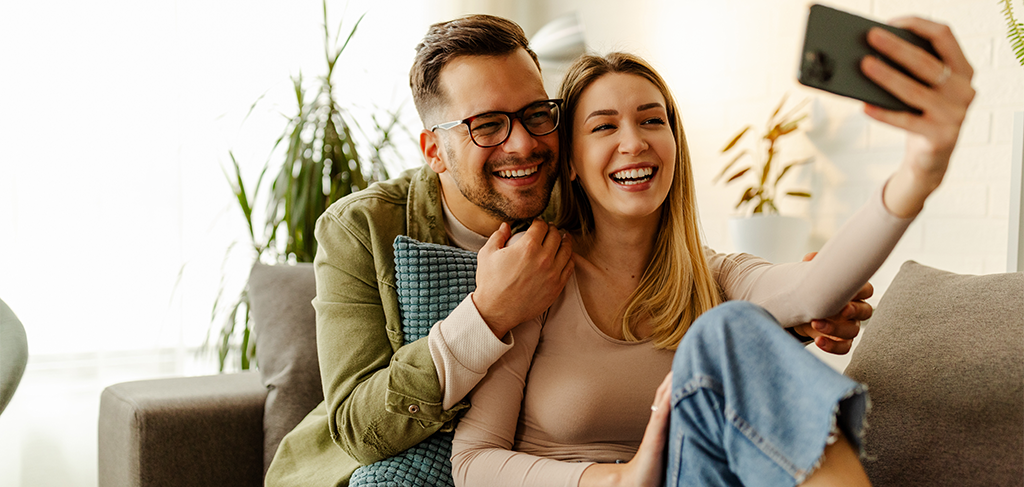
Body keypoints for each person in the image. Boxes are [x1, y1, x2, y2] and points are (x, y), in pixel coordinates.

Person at [266, 14, 869, 487]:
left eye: (536, 114)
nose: (523, 145)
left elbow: (684, 274)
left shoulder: (573, 196)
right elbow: (358, 428)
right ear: (434, 147)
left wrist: (799, 313)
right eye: (487, 125)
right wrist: (489, 315)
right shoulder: (360, 227)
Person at [450, 16, 974, 487]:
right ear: (571, 161)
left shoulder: (715, 276)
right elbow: (473, 462)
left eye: (652, 120)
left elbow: (816, 290)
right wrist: (617, 479)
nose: (633, 141)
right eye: (604, 126)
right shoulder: (533, 273)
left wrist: (920, 172)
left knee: (730, 327)